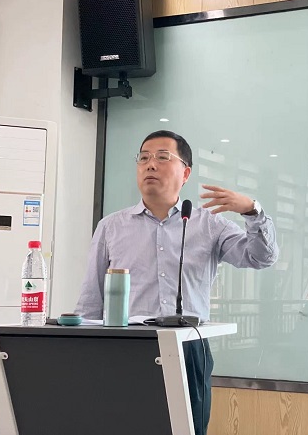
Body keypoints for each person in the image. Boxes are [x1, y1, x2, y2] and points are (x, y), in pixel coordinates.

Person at [75, 129, 278, 435]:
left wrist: (253, 211)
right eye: (143, 158)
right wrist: (83, 354)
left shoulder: (210, 225)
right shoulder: (111, 226)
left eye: (162, 157)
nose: (150, 164)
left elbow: (261, 258)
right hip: (124, 348)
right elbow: (92, 298)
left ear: (185, 173)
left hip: (188, 348)